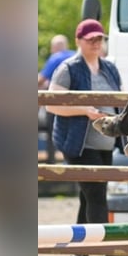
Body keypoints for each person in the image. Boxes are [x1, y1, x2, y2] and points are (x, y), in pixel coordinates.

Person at [47, 19, 128, 256]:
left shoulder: (110, 69)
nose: (96, 43)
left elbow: (124, 105)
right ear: (79, 40)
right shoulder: (67, 68)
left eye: (99, 38)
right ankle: (110, 254)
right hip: (78, 145)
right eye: (91, 39)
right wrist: (85, 110)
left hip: (104, 143)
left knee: (87, 198)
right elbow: (51, 104)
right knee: (96, 196)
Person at [39, 34, 74, 163]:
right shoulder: (76, 55)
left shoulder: (56, 57)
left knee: (51, 129)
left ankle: (51, 161)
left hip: (60, 103)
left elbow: (41, 79)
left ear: (54, 47)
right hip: (80, 104)